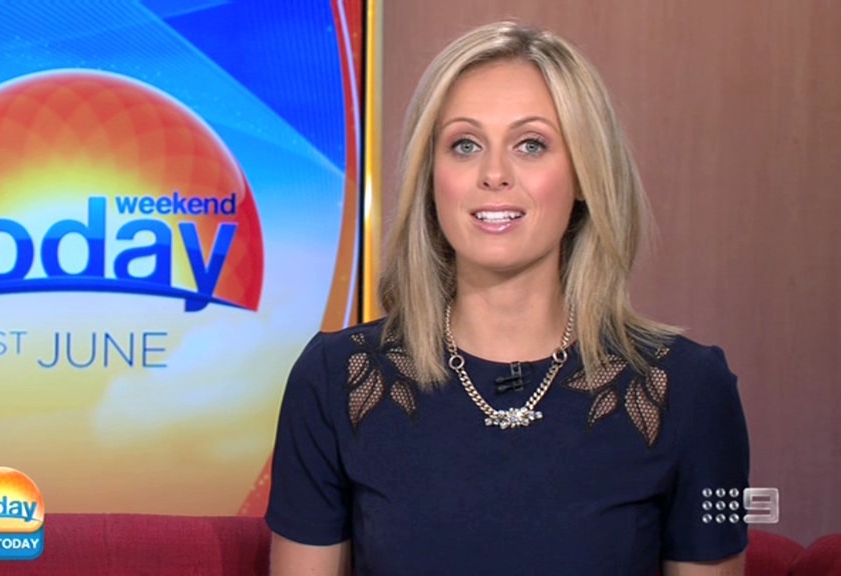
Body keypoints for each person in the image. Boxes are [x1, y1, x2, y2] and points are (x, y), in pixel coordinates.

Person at [265, 21, 749, 576]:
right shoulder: (334, 380)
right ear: (430, 176)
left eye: (531, 145)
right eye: (465, 145)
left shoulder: (691, 391)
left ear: (585, 174)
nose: (494, 174)